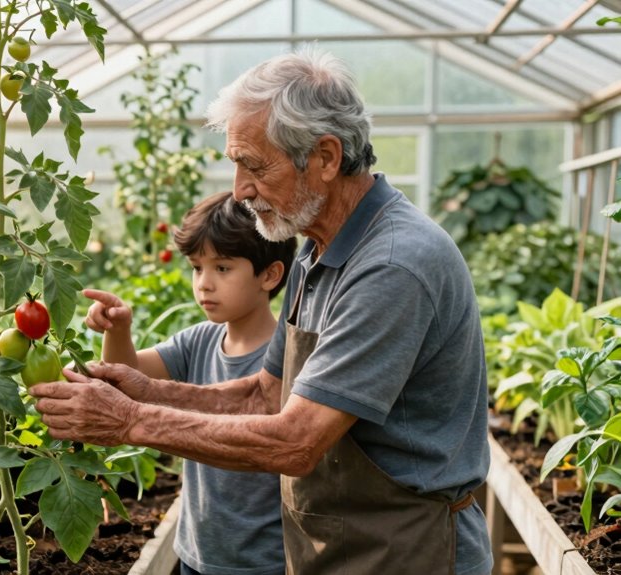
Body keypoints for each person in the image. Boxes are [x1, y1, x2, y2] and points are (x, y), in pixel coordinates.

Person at [31, 48, 493, 575]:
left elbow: (296, 441)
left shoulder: (393, 265)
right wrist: (150, 389)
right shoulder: (318, 249)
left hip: (407, 552)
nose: (239, 190)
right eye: (235, 164)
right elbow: (265, 392)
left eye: (254, 166)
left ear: (325, 157)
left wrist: (131, 420)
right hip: (339, 543)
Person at [84, 191, 297, 575]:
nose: (204, 284)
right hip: (196, 552)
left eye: (223, 268)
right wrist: (119, 328)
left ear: (270, 274)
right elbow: (126, 376)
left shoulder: (287, 359)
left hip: (266, 562)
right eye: (197, 268)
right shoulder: (198, 341)